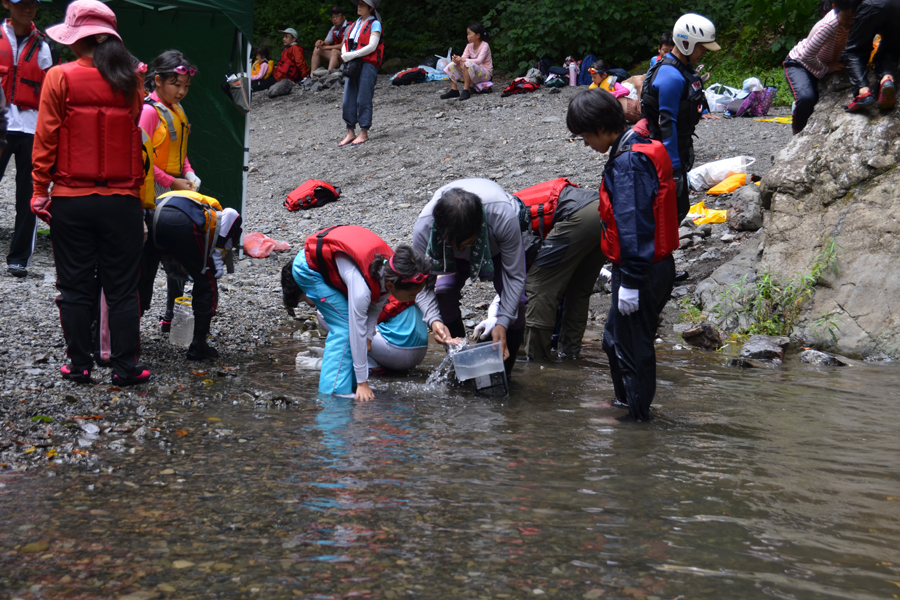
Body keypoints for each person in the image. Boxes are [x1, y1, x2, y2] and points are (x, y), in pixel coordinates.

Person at [31, 0, 149, 385]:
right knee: (121, 287)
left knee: (74, 286)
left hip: (72, 200)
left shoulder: (59, 77)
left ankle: (79, 365)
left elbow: (46, 137)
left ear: (79, 40)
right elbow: (131, 127)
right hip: (123, 204)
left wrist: (38, 191)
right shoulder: (131, 79)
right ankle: (125, 368)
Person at [568, 89, 679, 421]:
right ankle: (625, 404)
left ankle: (638, 422)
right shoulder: (633, 145)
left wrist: (629, 281)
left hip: (642, 270)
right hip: (645, 266)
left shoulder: (629, 162)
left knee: (631, 346)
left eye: (586, 136)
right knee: (614, 340)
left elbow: (634, 225)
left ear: (602, 127)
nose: (586, 143)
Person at [284, 225, 430, 400]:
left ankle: (349, 382)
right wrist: (363, 382)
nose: (413, 298)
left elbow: (376, 308)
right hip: (307, 268)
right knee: (345, 328)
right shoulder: (362, 290)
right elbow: (356, 330)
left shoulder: (389, 273)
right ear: (393, 285)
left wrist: (369, 335)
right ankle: (332, 394)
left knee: (357, 334)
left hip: (333, 266)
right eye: (412, 294)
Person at [412, 179, 527, 377]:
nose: (460, 248)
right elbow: (421, 285)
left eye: (466, 243)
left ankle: (504, 374)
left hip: (495, 249)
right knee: (444, 292)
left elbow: (515, 277)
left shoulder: (503, 216)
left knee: (519, 303)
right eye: (454, 244)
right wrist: (434, 320)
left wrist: (503, 321)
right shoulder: (424, 228)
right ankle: (463, 367)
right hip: (448, 258)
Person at [139, 50, 202, 333]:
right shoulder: (148, 112)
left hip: (175, 190)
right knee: (147, 259)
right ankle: (133, 317)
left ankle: (172, 314)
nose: (181, 91)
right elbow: (140, 158)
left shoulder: (178, 111)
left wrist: (187, 173)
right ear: (157, 81)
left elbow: (181, 152)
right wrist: (170, 180)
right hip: (150, 194)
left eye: (186, 87)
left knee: (179, 257)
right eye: (175, 85)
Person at [138, 191, 242, 360]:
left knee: (142, 280)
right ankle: (198, 347)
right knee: (206, 281)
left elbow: (175, 274)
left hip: (151, 218)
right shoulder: (219, 214)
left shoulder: (197, 206)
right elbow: (234, 215)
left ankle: (130, 343)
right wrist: (217, 254)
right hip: (182, 222)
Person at [641, 13, 720, 225]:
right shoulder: (671, 75)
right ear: (686, 43)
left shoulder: (684, 69)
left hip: (680, 146)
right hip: (665, 154)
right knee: (670, 211)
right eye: (702, 46)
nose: (704, 51)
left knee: (679, 209)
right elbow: (667, 124)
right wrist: (674, 170)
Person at [0, 0, 52, 278]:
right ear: (7, 4)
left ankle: (18, 258)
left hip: (32, 129)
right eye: (21, 3)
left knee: (29, 196)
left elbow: (51, 92)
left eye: (32, 3)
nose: (27, 8)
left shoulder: (44, 46)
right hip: (0, 126)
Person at [785, 0, 854, 133]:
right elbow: (806, 56)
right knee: (807, 98)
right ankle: (797, 134)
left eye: (853, 18)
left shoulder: (857, 18)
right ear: (835, 9)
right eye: (846, 18)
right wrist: (825, 69)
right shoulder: (829, 25)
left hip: (826, 60)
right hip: (800, 63)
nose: (849, 22)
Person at [305, 299, 430, 372]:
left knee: (323, 312)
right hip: (420, 353)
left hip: (397, 352)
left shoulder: (373, 282)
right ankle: (341, 355)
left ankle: (366, 365)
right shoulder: (403, 280)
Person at [339, 0, 383, 147]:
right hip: (353, 63)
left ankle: (364, 132)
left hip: (368, 64)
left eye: (363, 5)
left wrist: (351, 55)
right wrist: (345, 54)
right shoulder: (354, 25)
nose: (359, 6)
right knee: (348, 98)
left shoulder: (375, 24)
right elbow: (346, 42)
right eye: (359, 4)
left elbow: (372, 46)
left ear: (370, 8)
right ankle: (350, 131)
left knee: (364, 98)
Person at [841, 0, 898, 111]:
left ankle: (863, 91)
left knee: (854, 51)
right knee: (891, 50)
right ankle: (887, 79)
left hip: (873, 4)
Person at [440, 23, 492, 101]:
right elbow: (463, 58)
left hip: (485, 74)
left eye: (470, 34)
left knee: (468, 64)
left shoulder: (485, 45)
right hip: (474, 71)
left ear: (478, 35)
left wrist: (463, 60)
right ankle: (454, 90)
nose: (468, 36)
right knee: (452, 65)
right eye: (467, 34)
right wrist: (457, 60)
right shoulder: (469, 46)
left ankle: (466, 90)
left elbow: (478, 61)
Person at [310, 6, 349, 74]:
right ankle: (312, 74)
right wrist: (321, 42)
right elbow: (326, 42)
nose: (334, 19)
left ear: (343, 17)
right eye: (332, 17)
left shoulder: (349, 27)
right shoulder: (333, 28)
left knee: (334, 51)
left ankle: (328, 74)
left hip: (346, 57)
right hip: (336, 57)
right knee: (317, 49)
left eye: (337, 16)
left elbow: (342, 46)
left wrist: (325, 47)